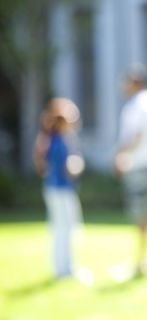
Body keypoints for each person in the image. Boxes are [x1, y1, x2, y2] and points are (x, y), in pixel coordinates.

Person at [114, 64, 147, 276]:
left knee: (142, 216)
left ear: (135, 81)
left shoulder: (138, 104)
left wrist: (119, 155)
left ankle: (141, 262)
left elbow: (135, 136)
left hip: (139, 165)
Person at [32, 97, 85, 280]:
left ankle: (65, 268)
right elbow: (63, 167)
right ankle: (64, 269)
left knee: (64, 228)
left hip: (59, 189)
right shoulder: (55, 140)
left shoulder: (55, 139)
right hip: (59, 190)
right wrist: (75, 166)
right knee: (63, 229)